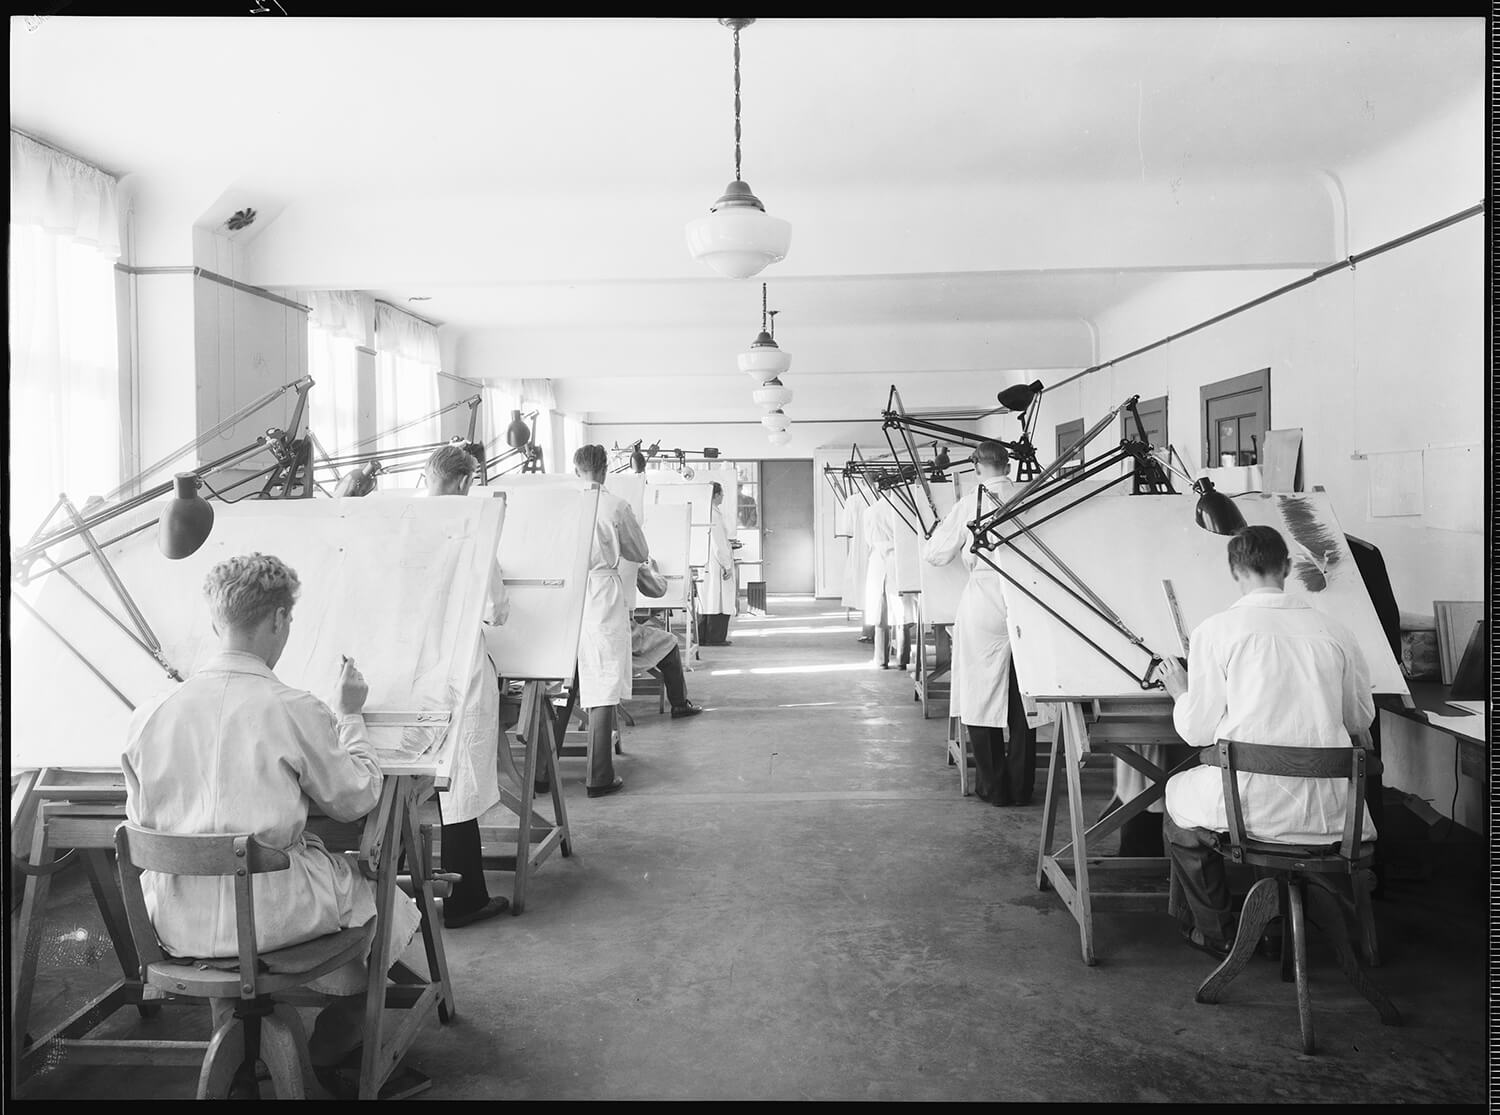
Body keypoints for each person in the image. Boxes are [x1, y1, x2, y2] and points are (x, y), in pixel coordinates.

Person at [122, 553, 429, 1100]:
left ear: (217, 622)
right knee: (385, 897)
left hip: (175, 920)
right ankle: (335, 1048)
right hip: (271, 917)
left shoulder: (151, 714)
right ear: (280, 620)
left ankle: (239, 1047)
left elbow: (143, 822)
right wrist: (351, 715)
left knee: (239, 913)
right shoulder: (292, 706)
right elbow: (355, 798)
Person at [1157, 524, 1376, 959]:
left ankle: (1217, 932)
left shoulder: (1216, 631)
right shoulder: (1336, 632)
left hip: (1247, 810)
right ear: (1289, 567)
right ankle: (1293, 921)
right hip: (1333, 816)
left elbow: (1197, 732)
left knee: (1176, 807)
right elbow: (1360, 718)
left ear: (1234, 570)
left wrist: (1180, 690)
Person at [422, 444, 511, 929]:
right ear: (463, 483)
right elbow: (495, 611)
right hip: (458, 663)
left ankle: (404, 891)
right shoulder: (473, 533)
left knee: (411, 784)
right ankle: (464, 900)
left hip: (412, 665)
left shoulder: (403, 524)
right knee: (458, 784)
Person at [921, 440, 1036, 805]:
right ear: (1008, 465)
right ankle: (1021, 787)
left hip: (985, 599)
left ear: (976, 466)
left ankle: (993, 786)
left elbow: (936, 554)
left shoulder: (971, 500)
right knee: (1022, 698)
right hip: (1026, 599)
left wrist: (942, 531)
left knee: (979, 692)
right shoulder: (1027, 494)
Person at [574, 444, 651, 797]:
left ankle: (542, 773)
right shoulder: (616, 505)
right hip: (601, 593)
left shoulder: (564, 502)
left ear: (577, 470)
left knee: (562, 681)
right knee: (603, 681)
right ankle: (599, 776)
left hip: (566, 594)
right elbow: (639, 552)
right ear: (605, 470)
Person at [632, 558, 704, 718]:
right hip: (620, 631)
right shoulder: (630, 556)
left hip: (581, 635)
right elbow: (658, 589)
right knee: (669, 642)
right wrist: (651, 569)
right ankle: (679, 704)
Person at [697, 481, 737, 646]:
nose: (723, 497)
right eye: (721, 494)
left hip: (705, 562)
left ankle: (704, 636)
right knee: (718, 599)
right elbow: (719, 543)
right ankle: (715, 637)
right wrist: (727, 565)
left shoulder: (704, 511)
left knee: (707, 599)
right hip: (716, 564)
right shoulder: (713, 515)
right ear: (715, 495)